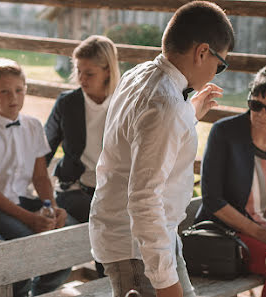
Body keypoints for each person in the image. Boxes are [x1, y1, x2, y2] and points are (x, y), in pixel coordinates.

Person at [89, 2, 235, 297]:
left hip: (150, 238)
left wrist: (189, 113)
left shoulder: (140, 74)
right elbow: (144, 199)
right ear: (202, 52)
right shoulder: (165, 105)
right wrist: (166, 284)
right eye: (221, 64)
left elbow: (141, 137)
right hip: (139, 247)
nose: (216, 73)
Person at [0, 58, 72, 297]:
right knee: (25, 249)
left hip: (22, 199)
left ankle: (37, 292)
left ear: (26, 91)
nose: (13, 97)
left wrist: (51, 208)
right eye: (4, 91)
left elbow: (40, 177)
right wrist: (31, 220)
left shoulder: (33, 126)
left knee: (67, 237)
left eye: (18, 90)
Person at [195, 63, 266, 297]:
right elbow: (213, 199)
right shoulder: (224, 132)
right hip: (225, 233)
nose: (262, 114)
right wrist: (262, 234)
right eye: (256, 105)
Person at [44, 35, 120, 224]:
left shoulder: (123, 104)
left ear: (108, 71)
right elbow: (44, 149)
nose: (81, 79)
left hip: (113, 190)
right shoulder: (67, 103)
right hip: (73, 189)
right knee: (100, 220)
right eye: (78, 71)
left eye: (89, 73)